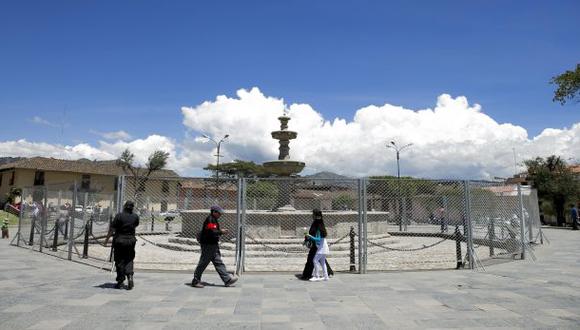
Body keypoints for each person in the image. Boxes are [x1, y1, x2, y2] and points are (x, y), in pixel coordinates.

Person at [191, 206, 238, 288]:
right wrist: (221, 231)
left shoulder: (214, 219)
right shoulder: (210, 220)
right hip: (208, 245)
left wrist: (220, 231)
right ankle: (195, 281)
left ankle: (227, 280)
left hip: (213, 245)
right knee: (203, 263)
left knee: (218, 262)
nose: (220, 215)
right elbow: (212, 232)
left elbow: (213, 230)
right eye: (219, 213)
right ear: (214, 212)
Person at [105, 201, 140, 290]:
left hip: (120, 240)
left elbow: (112, 229)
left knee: (119, 260)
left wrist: (106, 240)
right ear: (132, 208)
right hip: (131, 240)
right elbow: (135, 225)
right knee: (129, 259)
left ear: (124, 207)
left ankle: (120, 281)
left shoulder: (119, 216)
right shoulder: (135, 216)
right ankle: (130, 276)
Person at [305, 209, 330, 281]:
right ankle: (326, 276)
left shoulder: (318, 228)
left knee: (315, 260)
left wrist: (309, 236)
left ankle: (317, 276)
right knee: (322, 262)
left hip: (321, 249)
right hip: (324, 248)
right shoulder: (322, 227)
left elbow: (318, 239)